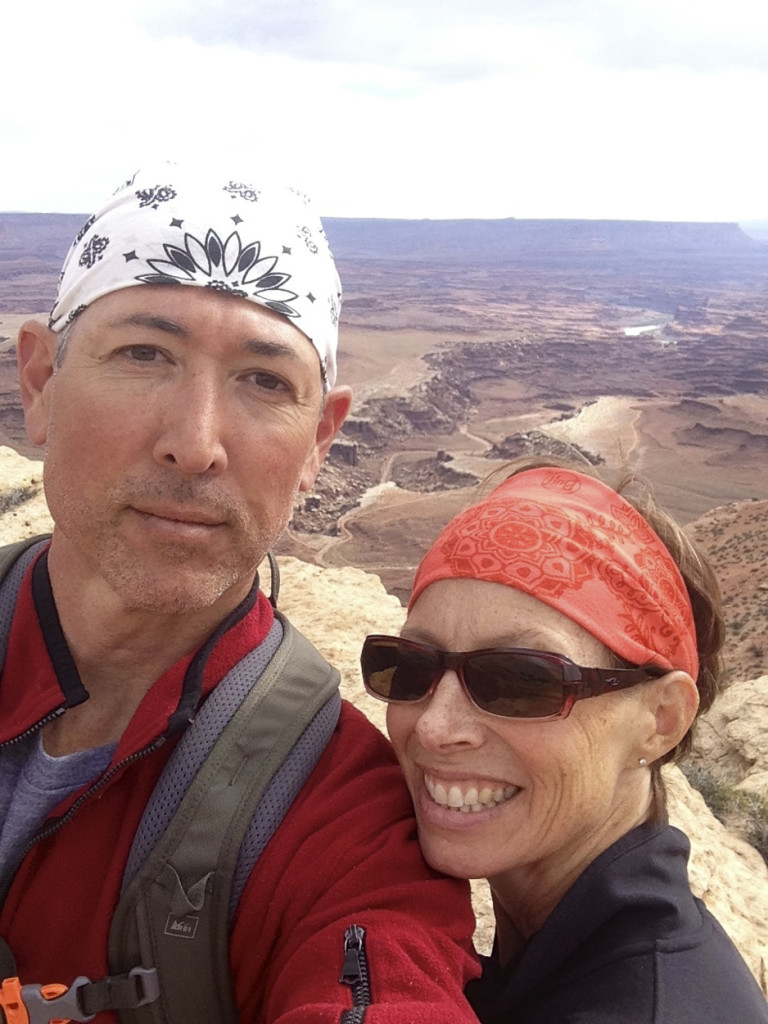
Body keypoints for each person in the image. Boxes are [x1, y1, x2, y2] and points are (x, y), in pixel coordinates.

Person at [0, 163, 480, 1023]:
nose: (196, 444)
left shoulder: (341, 818)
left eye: (264, 381)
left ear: (320, 443)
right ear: (39, 384)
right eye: (144, 355)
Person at [361, 457, 768, 1023]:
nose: (434, 725)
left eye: (521, 680)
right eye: (409, 666)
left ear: (661, 718)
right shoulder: (564, 958)